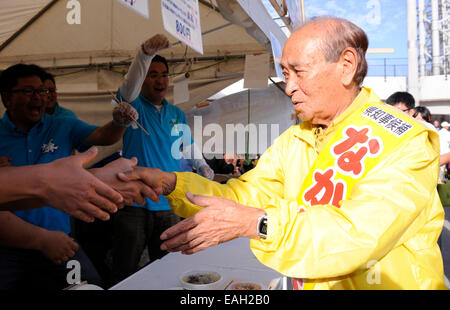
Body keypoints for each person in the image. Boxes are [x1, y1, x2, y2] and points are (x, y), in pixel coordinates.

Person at [120, 17, 446, 290]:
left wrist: (259, 225)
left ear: (346, 66)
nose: (288, 87)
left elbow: (355, 234)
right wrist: (171, 183)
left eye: (298, 72)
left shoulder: (403, 140)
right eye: (284, 74)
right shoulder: (296, 138)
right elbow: (245, 195)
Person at [0, 63, 140, 289]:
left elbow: (103, 136)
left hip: (60, 241)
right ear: (7, 98)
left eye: (42, 91)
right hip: (8, 247)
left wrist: (119, 122)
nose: (38, 97)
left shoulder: (62, 125)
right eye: (28, 91)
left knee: (88, 284)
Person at [109, 34, 214, 284]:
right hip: (134, 204)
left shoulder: (176, 113)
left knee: (169, 266)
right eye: (152, 74)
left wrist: (201, 164)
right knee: (125, 267)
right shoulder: (133, 107)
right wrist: (143, 55)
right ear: (143, 78)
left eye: (164, 74)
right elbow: (128, 88)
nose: (160, 80)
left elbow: (187, 144)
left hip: (168, 203)